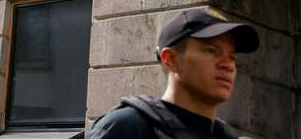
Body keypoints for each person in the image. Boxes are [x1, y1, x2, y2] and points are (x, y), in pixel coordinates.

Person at [89, 7, 261, 139]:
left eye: (232, 57)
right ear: (170, 59)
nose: (228, 65)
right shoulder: (127, 128)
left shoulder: (225, 136)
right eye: (211, 51)